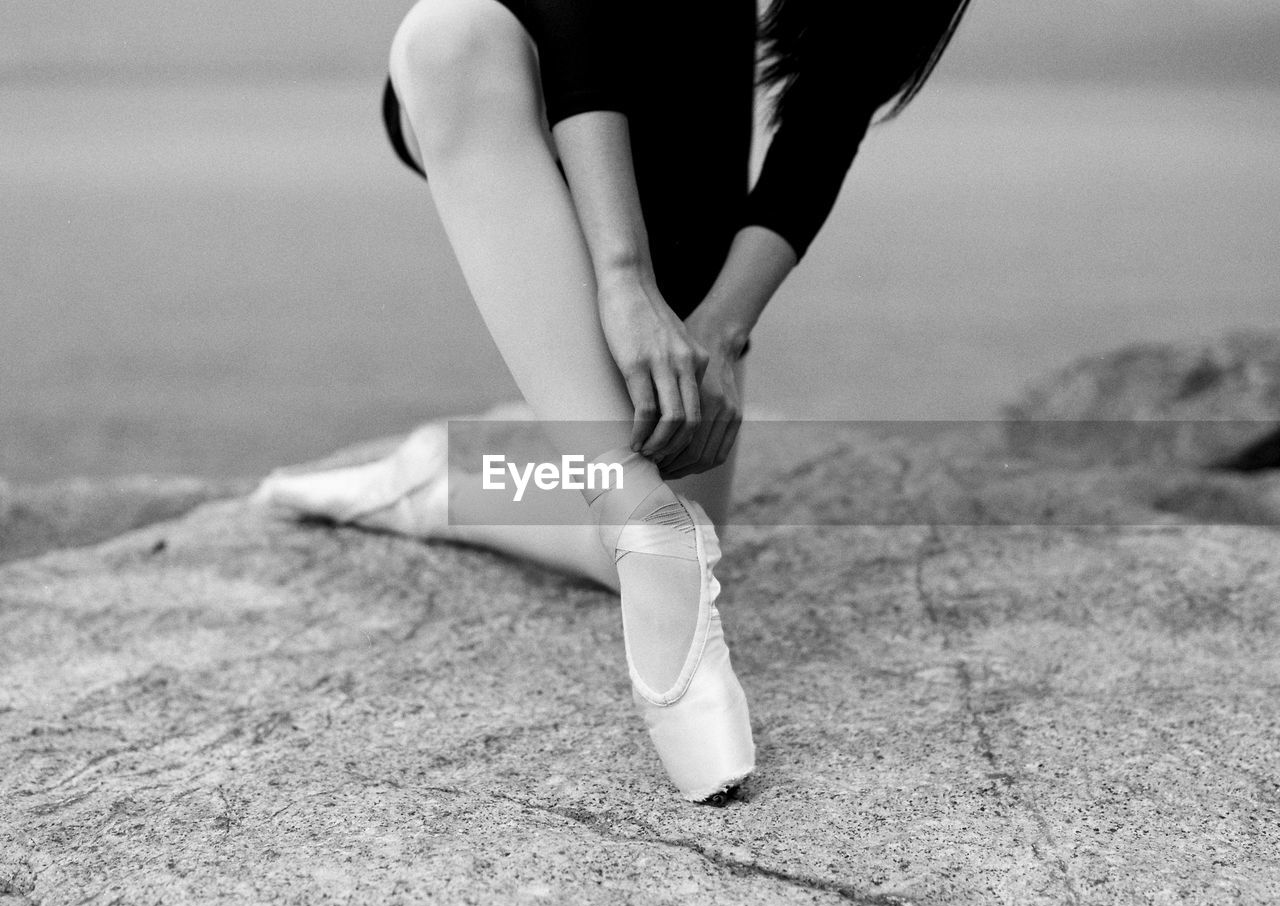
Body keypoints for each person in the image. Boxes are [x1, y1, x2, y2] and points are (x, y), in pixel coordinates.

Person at [255, 0, 973, 804]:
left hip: (682, 111)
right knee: (447, 38)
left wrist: (720, 329)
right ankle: (634, 509)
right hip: (524, 63)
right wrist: (620, 274)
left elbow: (835, 94)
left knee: (683, 505)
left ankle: (447, 482)